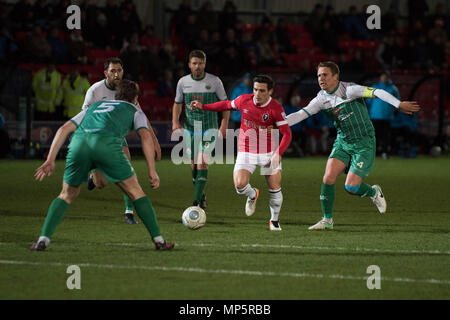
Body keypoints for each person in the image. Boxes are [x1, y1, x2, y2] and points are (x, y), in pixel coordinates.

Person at [30, 80, 174, 251]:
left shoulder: (94, 106)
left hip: (78, 144)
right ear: (135, 98)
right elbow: (145, 136)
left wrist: (50, 159)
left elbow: (63, 128)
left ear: (116, 95)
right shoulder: (136, 111)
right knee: (135, 192)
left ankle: (43, 239)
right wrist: (152, 170)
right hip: (106, 145)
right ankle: (159, 240)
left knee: (66, 194)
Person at [286, 61, 420, 230]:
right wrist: (279, 124)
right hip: (343, 141)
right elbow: (300, 114)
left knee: (351, 187)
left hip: (364, 142)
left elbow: (377, 92)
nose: (321, 78)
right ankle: (327, 221)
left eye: (325, 74)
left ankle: (373, 192)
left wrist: (398, 104)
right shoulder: (321, 99)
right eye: (319, 75)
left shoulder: (350, 90)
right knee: (328, 178)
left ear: (336, 77)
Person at [191, 74, 292, 231]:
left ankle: (274, 221)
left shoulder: (276, 109)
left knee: (274, 186)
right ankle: (252, 195)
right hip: (247, 150)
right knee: (239, 185)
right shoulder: (244, 99)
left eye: (262, 91)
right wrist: (203, 106)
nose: (257, 94)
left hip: (268, 151)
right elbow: (225, 105)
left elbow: (287, 134)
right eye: (255, 89)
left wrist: (278, 153)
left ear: (270, 91)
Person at [82, 57, 161, 224]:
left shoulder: (126, 91)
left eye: (119, 70)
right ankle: (93, 177)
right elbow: (85, 118)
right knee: (101, 183)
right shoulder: (95, 91)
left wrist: (154, 141)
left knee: (127, 169)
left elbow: (140, 115)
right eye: (112, 71)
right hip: (95, 139)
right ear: (105, 73)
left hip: (117, 137)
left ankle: (128, 212)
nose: (116, 74)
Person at [172, 50, 229, 210]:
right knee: (193, 165)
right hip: (190, 129)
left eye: (201, 63)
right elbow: (177, 103)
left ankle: (196, 203)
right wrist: (175, 122)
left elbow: (225, 105)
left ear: (205, 64)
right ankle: (201, 194)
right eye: (195, 63)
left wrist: (223, 126)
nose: (198, 66)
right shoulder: (183, 82)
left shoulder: (215, 81)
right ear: (189, 65)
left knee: (202, 163)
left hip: (209, 129)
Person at [366, 72, 400, 159]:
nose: (384, 78)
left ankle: (384, 152)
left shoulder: (393, 88)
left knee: (385, 135)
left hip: (387, 116)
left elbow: (397, 102)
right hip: (374, 116)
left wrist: (394, 110)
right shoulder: (374, 87)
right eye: (383, 76)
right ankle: (374, 152)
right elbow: (368, 101)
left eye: (386, 77)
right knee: (374, 135)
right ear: (380, 78)